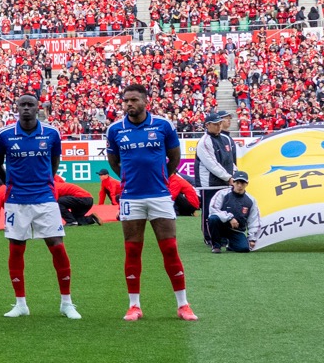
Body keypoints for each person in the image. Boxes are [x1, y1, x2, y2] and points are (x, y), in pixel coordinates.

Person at [106, 83, 195, 320]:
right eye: (126, 101)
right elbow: (114, 162)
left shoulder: (163, 125)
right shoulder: (115, 130)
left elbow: (174, 157)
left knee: (170, 249)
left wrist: (161, 176)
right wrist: (129, 179)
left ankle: (183, 305)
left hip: (160, 196)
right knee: (132, 250)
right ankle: (134, 305)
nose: (129, 104)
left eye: (134, 100)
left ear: (146, 101)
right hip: (131, 197)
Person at [0, 93, 79, 320]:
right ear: (17, 108)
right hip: (16, 200)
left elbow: (54, 164)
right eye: (23, 105)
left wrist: (43, 181)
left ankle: (66, 303)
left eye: (31, 105)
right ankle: (21, 304)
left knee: (57, 246)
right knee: (16, 248)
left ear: (38, 108)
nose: (27, 108)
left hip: (44, 198)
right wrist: (10, 180)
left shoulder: (51, 133)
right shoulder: (5, 135)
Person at [194, 111, 239, 248]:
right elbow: (212, 164)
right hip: (209, 184)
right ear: (207, 125)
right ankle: (209, 237)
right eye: (215, 124)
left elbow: (229, 161)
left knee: (224, 209)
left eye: (220, 123)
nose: (219, 126)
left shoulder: (225, 139)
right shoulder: (204, 142)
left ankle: (223, 236)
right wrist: (229, 177)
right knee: (208, 211)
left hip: (224, 182)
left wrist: (236, 174)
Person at [205, 170, 256, 253]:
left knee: (244, 249)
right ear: (233, 182)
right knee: (213, 219)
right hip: (220, 227)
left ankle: (231, 245)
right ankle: (216, 246)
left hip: (237, 230)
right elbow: (213, 209)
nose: (240, 185)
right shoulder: (222, 193)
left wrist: (252, 239)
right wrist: (230, 218)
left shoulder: (251, 200)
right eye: (237, 182)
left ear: (247, 184)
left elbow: (254, 220)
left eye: (242, 183)